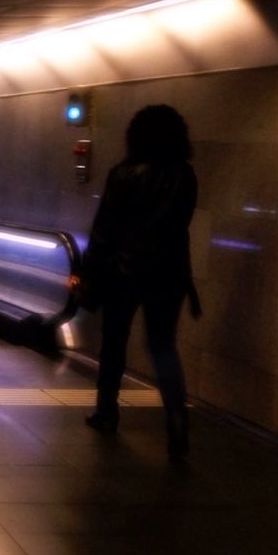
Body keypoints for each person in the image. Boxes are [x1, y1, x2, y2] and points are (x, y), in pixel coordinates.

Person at [77, 104, 200, 463]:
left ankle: (106, 412)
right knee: (163, 346)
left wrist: (89, 275)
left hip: (124, 271)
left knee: (114, 341)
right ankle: (177, 422)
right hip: (170, 274)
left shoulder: (124, 173)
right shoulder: (186, 176)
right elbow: (179, 226)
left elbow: (103, 232)